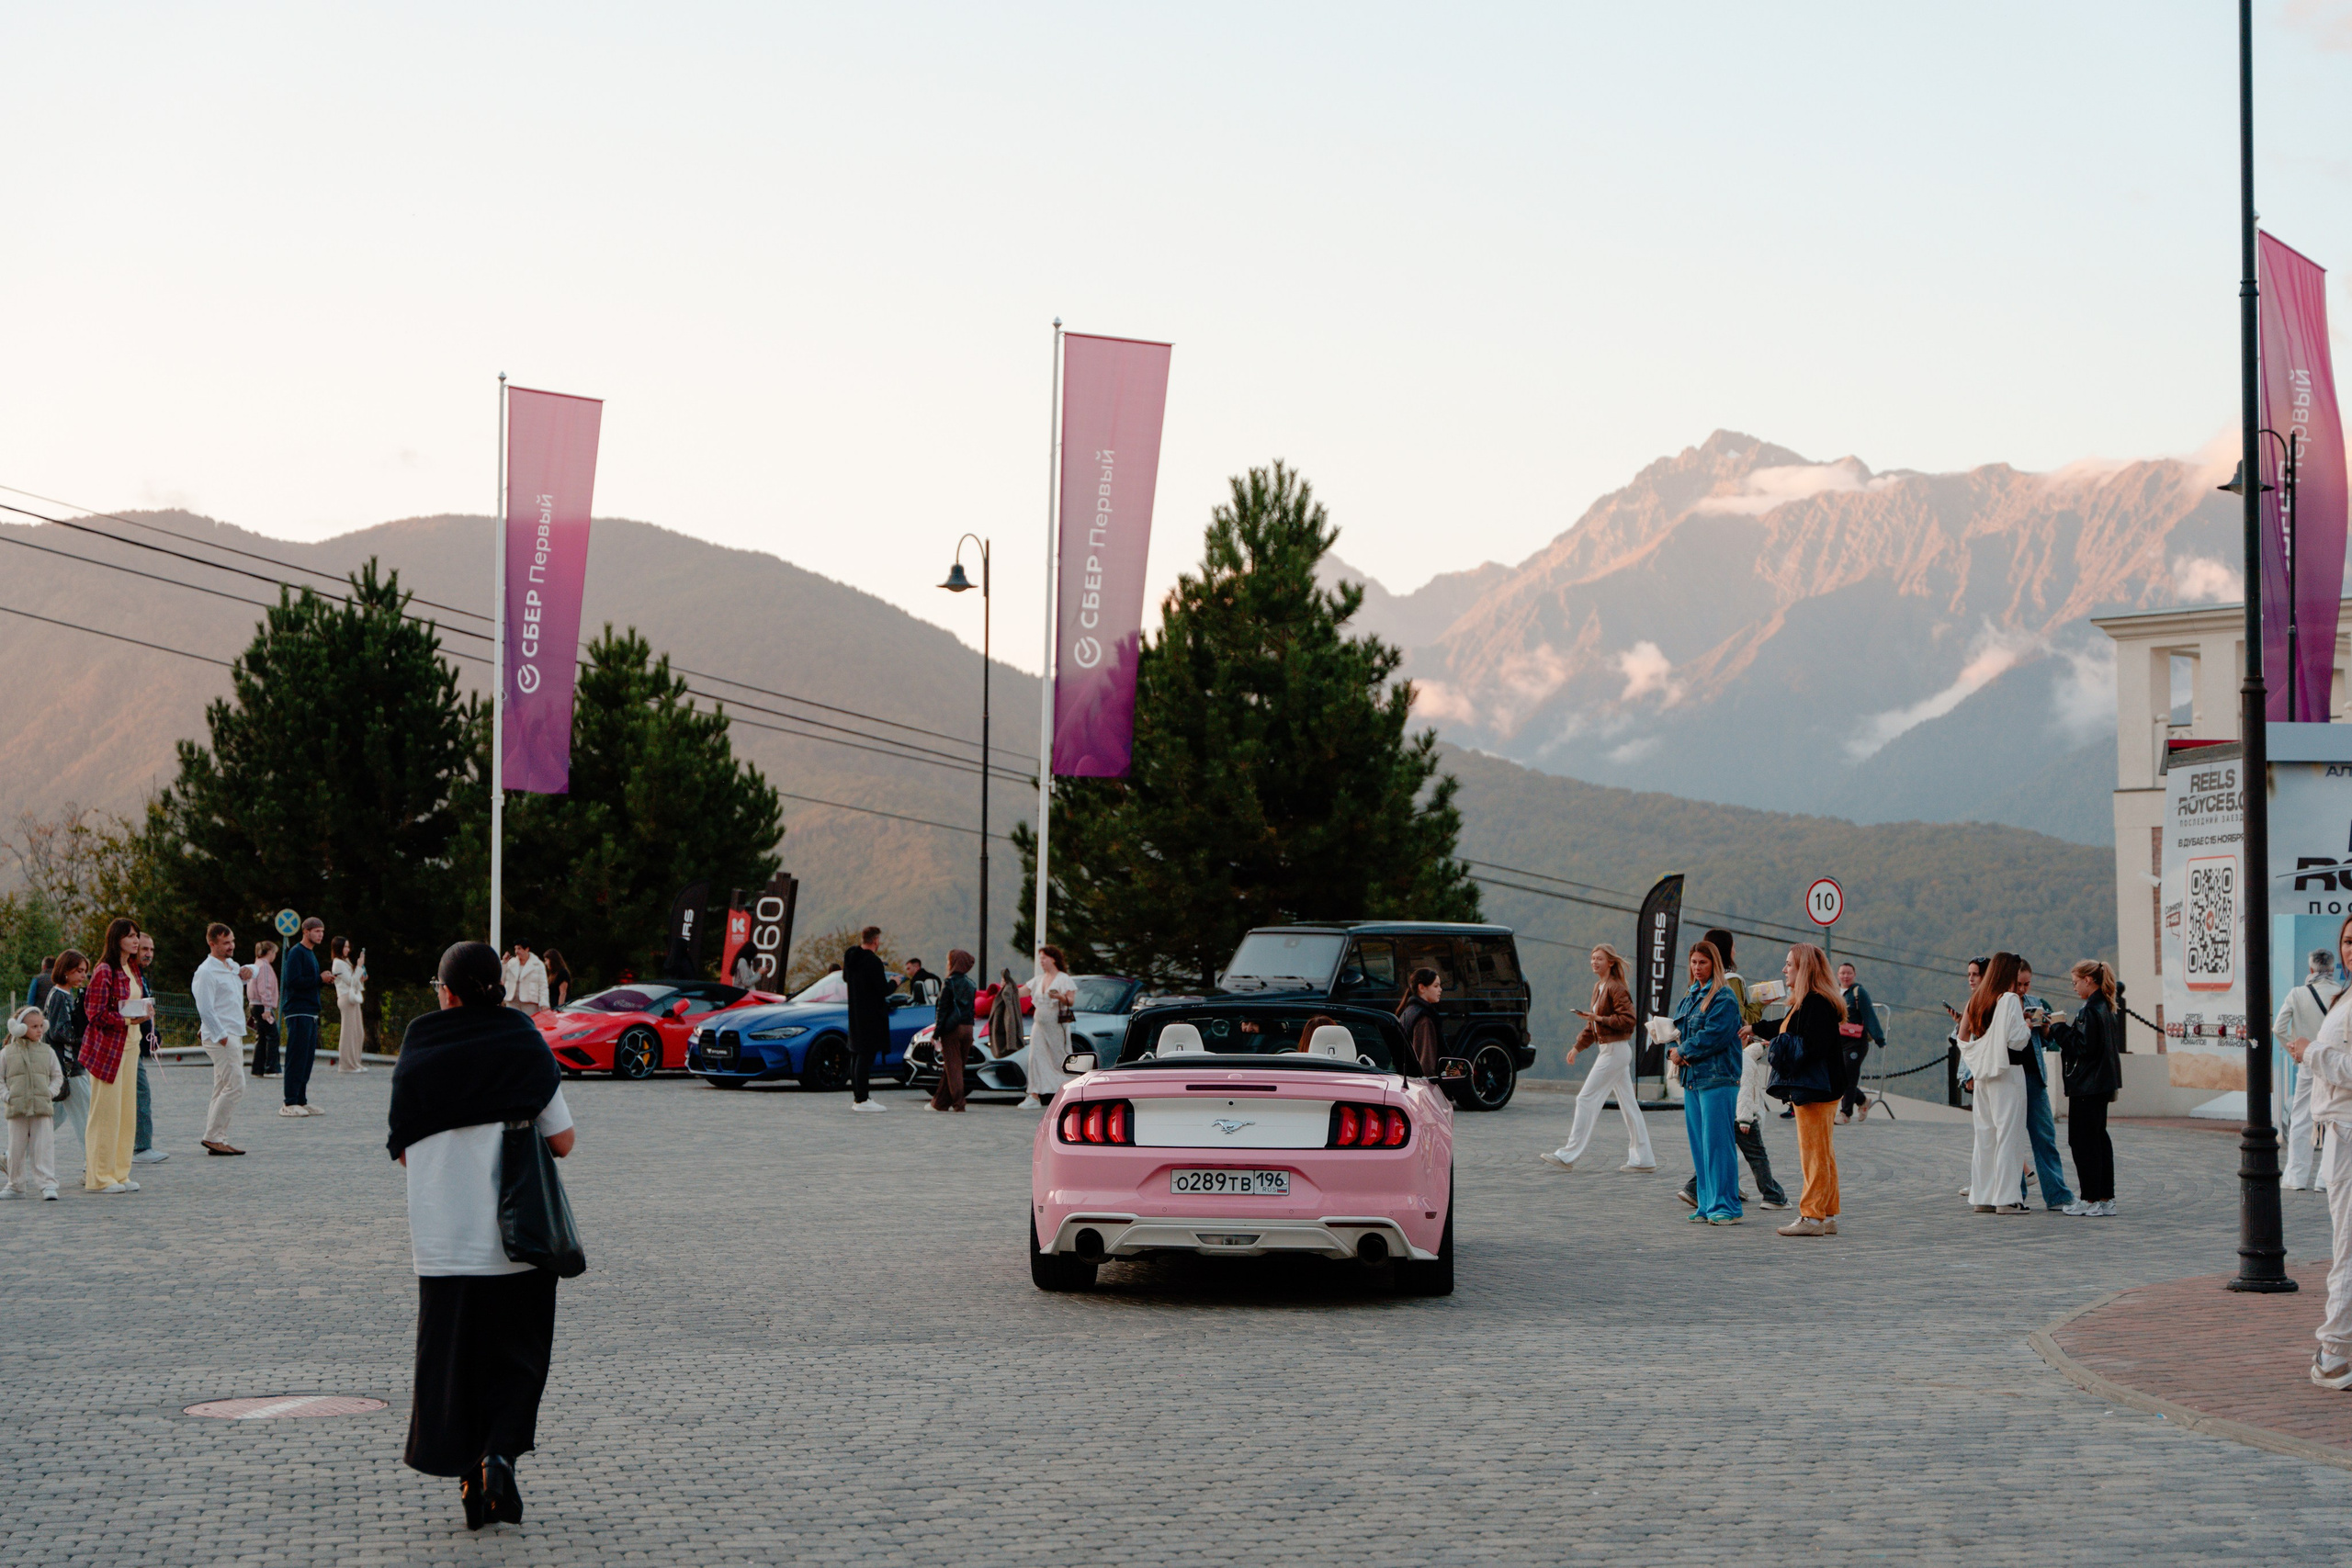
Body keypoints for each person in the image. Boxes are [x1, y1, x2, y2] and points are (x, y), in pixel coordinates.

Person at [390, 941, 575, 1529]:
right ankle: (499, 1455)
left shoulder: (421, 1043)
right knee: (517, 1360)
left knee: (452, 1366)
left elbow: (402, 1151)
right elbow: (564, 1140)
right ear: (497, 983)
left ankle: (471, 1474)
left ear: (446, 990)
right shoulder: (521, 1038)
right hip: (518, 1239)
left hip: (443, 1239)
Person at [1540, 944, 1656, 1173]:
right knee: (1629, 1106)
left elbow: (1629, 1020)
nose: (1594, 962)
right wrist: (1577, 1047)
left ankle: (1568, 1155)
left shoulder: (1616, 987)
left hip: (1615, 1051)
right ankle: (1644, 1159)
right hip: (1611, 1051)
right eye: (1592, 958)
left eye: (1599, 958)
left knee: (1585, 1099)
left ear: (1610, 962)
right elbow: (1591, 1024)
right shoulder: (1599, 987)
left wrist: (1599, 1018)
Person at [1762, 943, 1849, 1237]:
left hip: (1814, 1087)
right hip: (1825, 1086)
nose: (1785, 969)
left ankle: (1812, 1215)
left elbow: (1811, 1045)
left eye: (1789, 964)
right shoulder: (1813, 1001)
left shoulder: (1815, 1002)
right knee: (1823, 1151)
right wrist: (1756, 1028)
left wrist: (1779, 1048)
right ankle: (1828, 1213)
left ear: (1804, 969)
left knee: (1812, 1152)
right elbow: (1787, 1027)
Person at [1668, 940, 1746, 1224]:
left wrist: (1684, 1051)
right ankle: (1706, 1203)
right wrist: (1672, 1047)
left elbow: (1714, 1035)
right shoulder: (1690, 996)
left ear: (1714, 963)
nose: (1697, 967)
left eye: (1703, 962)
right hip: (1693, 1079)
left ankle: (1726, 1206)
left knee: (1718, 1144)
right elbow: (1681, 1031)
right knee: (1700, 1146)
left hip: (1718, 1079)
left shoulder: (1723, 997)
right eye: (1693, 962)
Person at [1960, 952, 2032, 1214]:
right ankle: (2007, 1198)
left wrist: (1977, 1058)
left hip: (1982, 1076)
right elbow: (2016, 1040)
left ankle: (1983, 1195)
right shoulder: (2010, 999)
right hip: (2008, 1072)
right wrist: (2027, 1025)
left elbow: (1962, 1035)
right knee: (2008, 1135)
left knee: (1985, 1135)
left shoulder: (1977, 998)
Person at [2052, 960, 2123, 1217]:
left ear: (2088, 980)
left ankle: (2090, 1198)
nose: (2074, 988)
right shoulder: (2105, 1006)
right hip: (2102, 1083)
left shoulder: (2091, 1010)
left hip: (2087, 1086)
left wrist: (2058, 1027)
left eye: (2076, 982)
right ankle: (2105, 1197)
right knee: (2099, 1139)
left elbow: (2082, 1047)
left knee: (2083, 1142)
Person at [81, 918, 145, 1193]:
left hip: (132, 1046)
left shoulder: (132, 968)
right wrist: (129, 1020)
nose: (136, 941)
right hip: (108, 1049)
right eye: (130, 936)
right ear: (116, 938)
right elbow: (94, 1014)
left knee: (126, 1113)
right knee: (105, 1114)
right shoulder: (104, 970)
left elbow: (130, 1004)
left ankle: (120, 1172)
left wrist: (143, 1011)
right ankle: (99, 1177)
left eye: (137, 936)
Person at [2012, 961, 2075, 1213]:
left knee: (2045, 1138)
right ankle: (2015, 1193)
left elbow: (2046, 1040)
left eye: (2027, 983)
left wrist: (2047, 1026)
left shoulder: (2034, 1001)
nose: (2023, 989)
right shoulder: (2002, 1003)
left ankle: (2057, 1194)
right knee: (2013, 1139)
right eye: (2018, 983)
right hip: (2012, 1077)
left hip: (2035, 1076)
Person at [2278, 948, 2340, 1193]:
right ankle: (2325, 1179)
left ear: (2311, 969)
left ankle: (2296, 1177)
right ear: (2332, 969)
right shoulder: (2342, 994)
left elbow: (2279, 1028)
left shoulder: (2297, 994)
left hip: (2307, 1062)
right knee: (2332, 1117)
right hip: (2334, 1063)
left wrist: (2295, 1050)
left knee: (2301, 1117)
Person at [192, 922, 251, 1156]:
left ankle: (215, 1136)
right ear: (212, 943)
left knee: (222, 1087)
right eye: (226, 943)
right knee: (236, 1085)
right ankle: (213, 1136)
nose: (231, 946)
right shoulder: (206, 971)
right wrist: (221, 1036)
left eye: (232, 941)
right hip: (222, 1035)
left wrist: (251, 971)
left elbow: (249, 973)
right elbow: (205, 1008)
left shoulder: (231, 966)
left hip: (233, 1031)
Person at [3, 1006, 62, 1200]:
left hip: (42, 1108)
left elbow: (57, 1077)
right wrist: (7, 1096)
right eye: (34, 1026)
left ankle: (47, 1184)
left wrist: (50, 1093)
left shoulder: (47, 1052)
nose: (39, 1030)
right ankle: (16, 1185)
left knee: (43, 1147)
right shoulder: (6, 1053)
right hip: (17, 1109)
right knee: (16, 1149)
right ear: (19, 1028)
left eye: (40, 1025)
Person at [40, 950, 90, 1157]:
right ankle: (94, 1166)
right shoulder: (60, 996)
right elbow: (58, 1031)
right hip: (69, 1067)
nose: (83, 976)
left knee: (51, 1119)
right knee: (87, 1118)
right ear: (65, 970)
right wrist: (82, 1036)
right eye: (79, 971)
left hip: (62, 1067)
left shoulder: (62, 994)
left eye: (85, 971)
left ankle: (11, 1156)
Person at [841, 926, 891, 1113]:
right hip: (871, 1015)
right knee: (865, 1055)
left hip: (855, 1012)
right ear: (876, 940)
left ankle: (858, 1097)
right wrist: (894, 982)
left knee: (856, 1054)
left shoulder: (851, 957)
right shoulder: (873, 962)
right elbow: (883, 990)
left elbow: (847, 978)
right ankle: (862, 1099)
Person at [1023, 945, 1080, 1110]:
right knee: (1035, 1056)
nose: (1041, 962)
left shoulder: (1063, 979)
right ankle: (1034, 1094)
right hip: (1039, 1024)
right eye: (1040, 959)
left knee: (1058, 1057)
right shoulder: (1039, 980)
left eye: (1044, 958)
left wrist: (1059, 996)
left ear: (1053, 959)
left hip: (1055, 1024)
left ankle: (1067, 1089)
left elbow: (1071, 1000)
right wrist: (1007, 988)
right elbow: (1022, 991)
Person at [280, 917, 325, 1116]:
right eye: (316, 931)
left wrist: (322, 980)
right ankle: (290, 1102)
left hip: (311, 1011)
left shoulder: (310, 954)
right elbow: (293, 981)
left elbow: (310, 981)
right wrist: (318, 979)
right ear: (305, 931)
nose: (320, 935)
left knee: (307, 1059)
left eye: (322, 932)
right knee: (296, 1057)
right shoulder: (296, 952)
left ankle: (301, 1099)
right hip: (298, 1011)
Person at [130, 933, 167, 1165]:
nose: (148, 954)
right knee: (140, 1093)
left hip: (137, 1042)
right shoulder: (128, 975)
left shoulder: (140, 976)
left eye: (151, 950)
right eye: (144, 949)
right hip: (125, 1045)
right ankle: (141, 1147)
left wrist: (153, 1034)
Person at [930, 950, 977, 1112]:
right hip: (968, 1028)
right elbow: (972, 1010)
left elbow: (942, 1010)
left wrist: (936, 1034)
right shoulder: (971, 984)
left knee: (953, 1068)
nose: (947, 964)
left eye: (949, 961)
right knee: (954, 1067)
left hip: (952, 1030)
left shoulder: (949, 982)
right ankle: (939, 1103)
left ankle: (959, 1103)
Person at [1837, 962, 1883, 1122]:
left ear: (1854, 975)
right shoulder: (1834, 992)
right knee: (1839, 1078)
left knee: (1849, 1077)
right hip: (1838, 1042)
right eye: (1842, 973)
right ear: (1838, 975)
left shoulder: (1858, 993)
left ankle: (1845, 1113)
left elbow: (1869, 1015)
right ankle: (1862, 1101)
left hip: (1856, 1042)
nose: (1846, 976)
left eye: (1849, 973)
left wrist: (1879, 1037)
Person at [1396, 968, 1444, 1078]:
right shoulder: (1424, 1018)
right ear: (1422, 987)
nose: (1440, 990)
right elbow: (1426, 1061)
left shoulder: (1408, 1011)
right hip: (1420, 1084)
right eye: (1436, 986)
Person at [248, 941, 280, 1077]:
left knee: (261, 1037)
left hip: (254, 1004)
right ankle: (271, 1068)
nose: (275, 956)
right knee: (273, 1035)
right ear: (270, 952)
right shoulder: (265, 967)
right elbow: (265, 987)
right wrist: (267, 1008)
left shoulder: (256, 965)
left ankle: (258, 1068)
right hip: (263, 1006)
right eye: (274, 953)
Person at [509, 942, 548, 1013]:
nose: (516, 951)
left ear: (527, 949)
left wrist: (544, 1003)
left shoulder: (538, 964)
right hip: (512, 1002)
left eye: (519, 948)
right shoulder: (511, 963)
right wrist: (504, 963)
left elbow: (543, 985)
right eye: (515, 949)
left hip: (530, 1003)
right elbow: (502, 979)